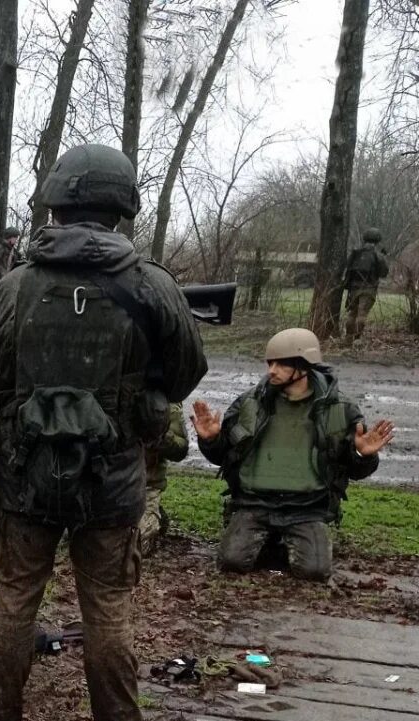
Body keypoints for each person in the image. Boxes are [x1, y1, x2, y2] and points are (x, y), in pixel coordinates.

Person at [0, 144, 208, 721]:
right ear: (121, 211)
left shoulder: (15, 286)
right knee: (109, 611)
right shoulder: (152, 287)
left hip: (25, 472)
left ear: (57, 204)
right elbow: (183, 376)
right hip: (113, 480)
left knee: (15, 605)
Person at [191, 328, 394, 581]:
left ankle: (287, 541)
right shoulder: (249, 404)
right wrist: (210, 439)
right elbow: (224, 456)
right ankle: (269, 538)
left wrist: (362, 455)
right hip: (255, 502)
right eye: (270, 363)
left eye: (281, 364)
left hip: (307, 507)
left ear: (304, 366)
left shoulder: (339, 410)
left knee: (315, 572)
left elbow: (353, 470)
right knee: (231, 562)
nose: (271, 370)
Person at [138, 403, 188, 556]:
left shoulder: (163, 401)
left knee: (136, 547)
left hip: (145, 485)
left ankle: (153, 515)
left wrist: (159, 432)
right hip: (105, 484)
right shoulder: (103, 389)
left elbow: (180, 449)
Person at [343, 227, 390, 342]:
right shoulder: (377, 255)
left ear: (365, 239)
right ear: (378, 240)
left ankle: (348, 338)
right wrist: (384, 257)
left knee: (352, 314)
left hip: (353, 288)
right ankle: (357, 339)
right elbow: (383, 273)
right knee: (362, 314)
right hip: (368, 289)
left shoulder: (355, 253)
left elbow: (348, 269)